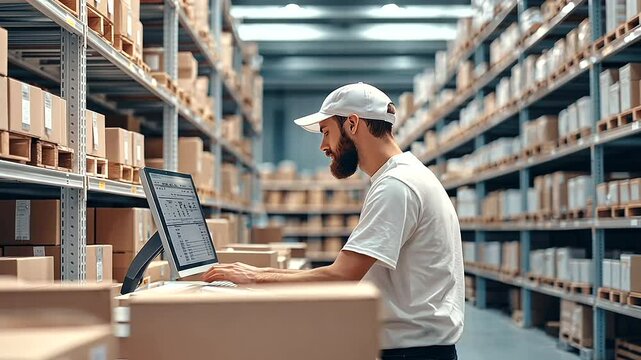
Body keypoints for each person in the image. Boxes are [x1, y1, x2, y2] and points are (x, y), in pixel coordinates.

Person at [203, 82, 464, 360]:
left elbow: (342, 275)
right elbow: (346, 272)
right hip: (415, 347)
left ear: (352, 123)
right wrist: (257, 276)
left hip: (412, 353)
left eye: (326, 131)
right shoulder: (404, 176)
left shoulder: (396, 186)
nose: (323, 146)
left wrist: (255, 278)